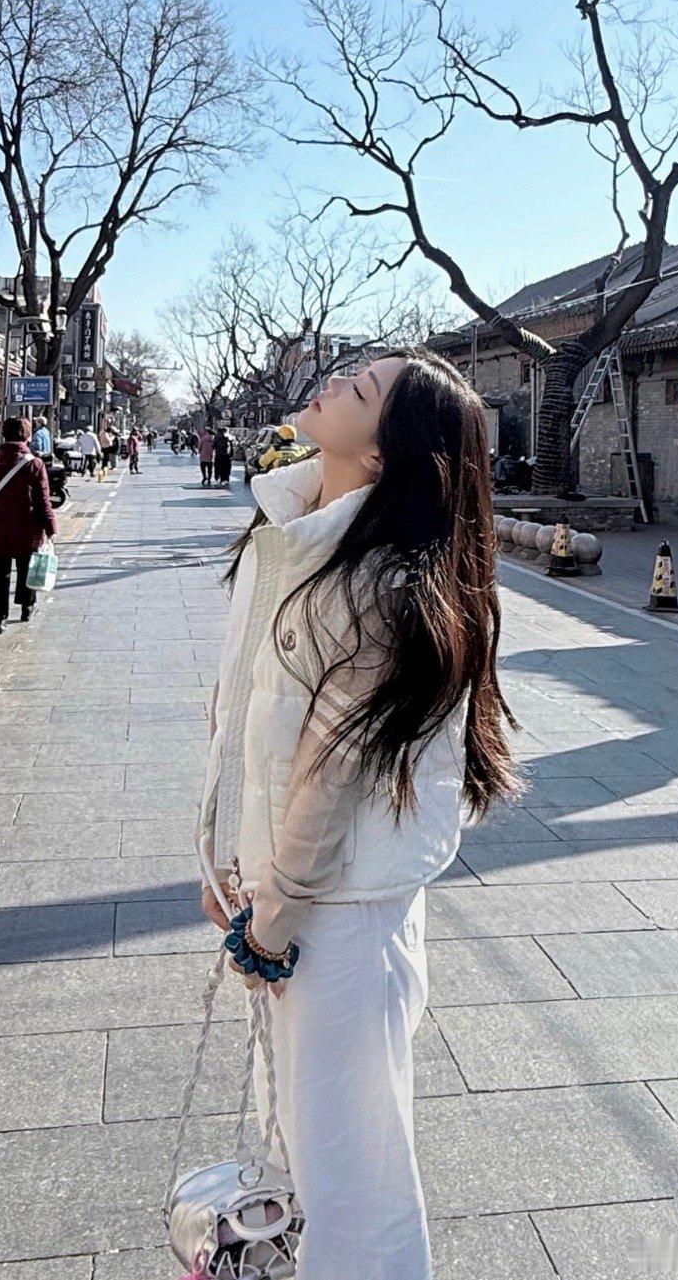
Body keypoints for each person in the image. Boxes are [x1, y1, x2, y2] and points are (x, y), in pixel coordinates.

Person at [196, 347, 518, 1279]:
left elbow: (329, 772)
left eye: (361, 388)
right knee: (309, 1158)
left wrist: (274, 911)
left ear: (383, 452)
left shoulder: (386, 581)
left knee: (354, 1194)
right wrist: (226, 862)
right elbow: (241, 717)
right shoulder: (295, 531)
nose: (335, 381)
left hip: (338, 918)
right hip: (292, 901)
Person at [0, 416, 57, 636]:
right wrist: (51, 527)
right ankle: (26, 607)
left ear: (4, 434)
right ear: (27, 436)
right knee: (26, 568)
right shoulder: (34, 464)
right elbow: (43, 500)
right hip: (27, 528)